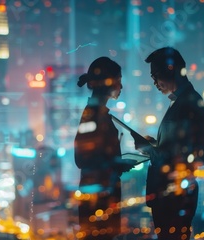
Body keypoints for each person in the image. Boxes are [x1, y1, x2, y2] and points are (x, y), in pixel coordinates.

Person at [134, 47, 204, 240]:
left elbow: (191, 156)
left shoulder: (188, 103)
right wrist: (155, 146)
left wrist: (149, 149)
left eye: (155, 75)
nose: (154, 83)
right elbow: (177, 149)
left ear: (170, 69)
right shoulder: (181, 102)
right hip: (171, 197)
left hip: (174, 199)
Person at [74, 56, 133, 240]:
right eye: (119, 81)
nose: (121, 87)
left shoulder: (96, 113)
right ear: (108, 83)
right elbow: (82, 158)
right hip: (98, 202)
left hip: (100, 199)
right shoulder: (94, 115)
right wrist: (116, 163)